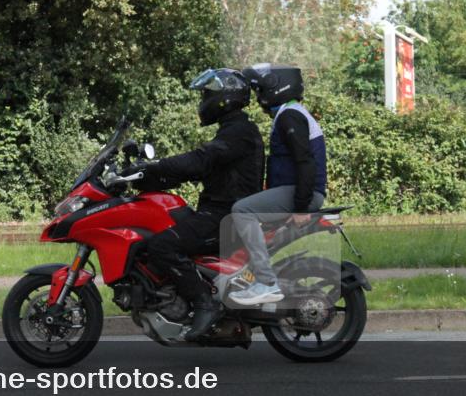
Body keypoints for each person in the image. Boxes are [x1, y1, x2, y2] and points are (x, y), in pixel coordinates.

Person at [124, 68, 264, 340]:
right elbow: (199, 169)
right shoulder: (232, 131)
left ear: (225, 98)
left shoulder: (239, 133)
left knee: (163, 245)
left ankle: (205, 303)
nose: (204, 101)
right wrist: (149, 178)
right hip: (220, 211)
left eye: (207, 95)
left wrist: (156, 166)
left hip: (226, 216)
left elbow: (200, 160)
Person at [229, 64, 326, 305]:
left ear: (276, 87)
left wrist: (301, 207)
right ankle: (249, 278)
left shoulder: (289, 116)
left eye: (259, 90)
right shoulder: (292, 112)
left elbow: (305, 162)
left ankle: (266, 282)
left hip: (303, 193)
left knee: (242, 210)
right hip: (297, 191)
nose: (258, 97)